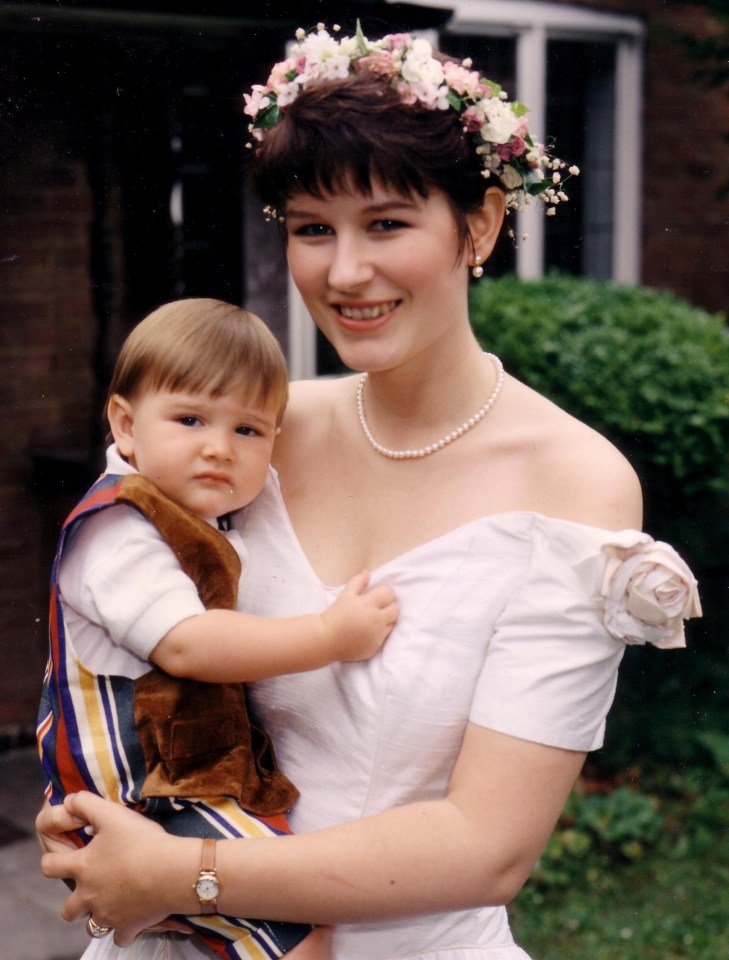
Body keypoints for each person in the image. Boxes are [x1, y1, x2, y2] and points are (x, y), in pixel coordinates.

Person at [38, 24, 702, 960]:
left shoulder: (571, 485)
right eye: (313, 229)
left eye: (386, 223)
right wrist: (88, 809)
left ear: (478, 225)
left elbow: (488, 847)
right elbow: (105, 611)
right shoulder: (254, 435)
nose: (344, 273)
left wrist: (181, 873)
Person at [36, 297, 398, 960]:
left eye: (249, 432)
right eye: (190, 418)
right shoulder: (118, 530)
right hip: (147, 801)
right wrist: (327, 635)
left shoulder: (189, 520)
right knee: (298, 932)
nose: (218, 447)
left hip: (179, 784)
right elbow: (188, 644)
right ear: (125, 423)